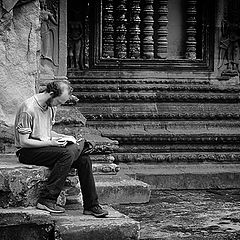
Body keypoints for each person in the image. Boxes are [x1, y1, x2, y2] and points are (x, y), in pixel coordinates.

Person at [14, 80, 108, 217]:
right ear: (51, 94)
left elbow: (46, 132)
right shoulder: (28, 108)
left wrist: (65, 137)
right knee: (67, 154)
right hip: (27, 151)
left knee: (84, 159)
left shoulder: (50, 106)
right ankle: (47, 199)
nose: (58, 105)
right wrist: (53, 143)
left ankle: (91, 205)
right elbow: (24, 142)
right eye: (58, 102)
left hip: (44, 146)